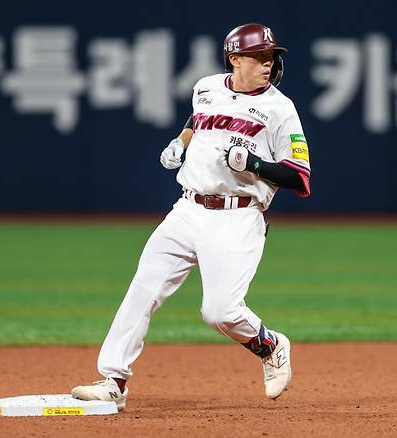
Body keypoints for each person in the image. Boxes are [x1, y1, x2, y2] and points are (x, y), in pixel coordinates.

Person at [71, 23, 311, 412]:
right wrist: (180, 143)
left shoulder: (280, 109)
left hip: (237, 216)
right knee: (143, 288)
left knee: (220, 312)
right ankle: (114, 380)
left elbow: (300, 177)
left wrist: (253, 163)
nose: (268, 63)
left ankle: (270, 346)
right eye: (259, 56)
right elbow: (197, 120)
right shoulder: (206, 87)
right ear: (235, 59)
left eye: (271, 56)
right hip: (187, 209)